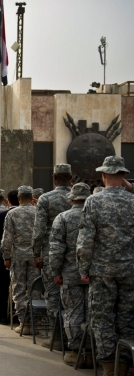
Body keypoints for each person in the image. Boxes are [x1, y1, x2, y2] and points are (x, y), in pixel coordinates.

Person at [77, 156, 134, 376]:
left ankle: (109, 368)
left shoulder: (94, 201)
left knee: (102, 319)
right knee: (127, 318)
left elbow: (85, 240)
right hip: (129, 270)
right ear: (123, 176)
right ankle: (123, 366)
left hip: (102, 271)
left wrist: (84, 268)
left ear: (103, 176)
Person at [49, 183, 91, 367]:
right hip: (93, 274)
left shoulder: (63, 218)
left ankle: (76, 352)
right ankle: (92, 350)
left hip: (70, 274)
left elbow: (57, 249)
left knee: (73, 313)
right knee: (92, 313)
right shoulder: (94, 215)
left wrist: (55, 271)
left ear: (72, 198)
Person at [32, 164, 72, 349]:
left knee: (53, 295)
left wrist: (36, 254)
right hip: (76, 256)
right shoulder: (83, 198)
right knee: (76, 297)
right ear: (70, 178)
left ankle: (57, 337)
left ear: (55, 178)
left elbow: (39, 230)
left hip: (50, 253)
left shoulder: (45, 199)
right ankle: (75, 339)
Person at [1, 186, 40, 335]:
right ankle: (34, 321)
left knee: (19, 288)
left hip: (18, 255)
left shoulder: (13, 214)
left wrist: (6, 256)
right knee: (34, 289)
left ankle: (24, 322)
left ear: (19, 198)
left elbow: (7, 238)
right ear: (32, 197)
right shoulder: (38, 212)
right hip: (35, 256)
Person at [0, 189, 19, 325]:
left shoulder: (2, 214)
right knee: (22, 286)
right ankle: (19, 315)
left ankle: (2, 316)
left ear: (7, 201)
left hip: (5, 253)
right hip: (24, 254)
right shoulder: (34, 213)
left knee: (3, 284)